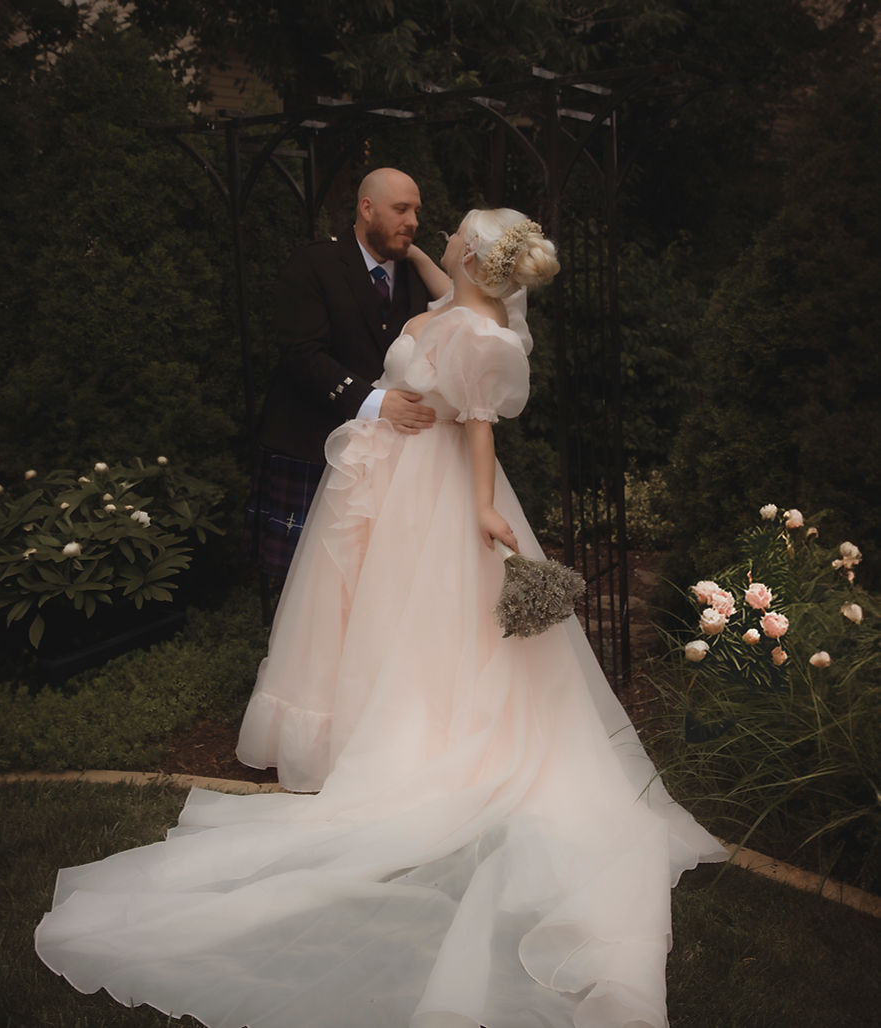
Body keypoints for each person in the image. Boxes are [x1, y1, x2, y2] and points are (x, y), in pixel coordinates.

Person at [36, 209, 727, 1028]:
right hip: (396, 480)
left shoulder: (481, 332)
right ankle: (375, 725)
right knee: (382, 612)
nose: (434, 240)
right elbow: (452, 299)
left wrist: (479, 510)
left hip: (438, 490)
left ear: (468, 258)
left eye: (451, 236)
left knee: (426, 616)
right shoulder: (466, 306)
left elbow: (477, 425)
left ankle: (423, 736)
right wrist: (440, 282)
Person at [246, 167, 435, 581]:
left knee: (373, 579)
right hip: (312, 443)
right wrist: (374, 402)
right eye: (401, 209)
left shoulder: (416, 273)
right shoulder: (315, 263)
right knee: (306, 583)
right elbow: (301, 353)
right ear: (367, 208)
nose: (413, 222)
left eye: (416, 211)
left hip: (386, 457)